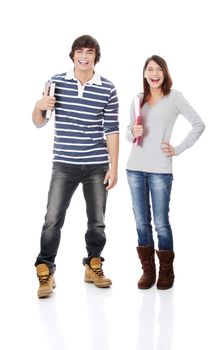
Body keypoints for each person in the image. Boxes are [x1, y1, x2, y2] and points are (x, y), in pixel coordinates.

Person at [32, 35, 119, 298]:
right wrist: (39, 106)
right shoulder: (55, 82)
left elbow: (112, 130)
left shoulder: (107, 88)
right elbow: (39, 122)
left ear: (96, 56)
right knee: (52, 220)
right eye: (79, 52)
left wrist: (113, 167)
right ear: (73, 55)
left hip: (96, 164)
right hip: (64, 164)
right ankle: (45, 270)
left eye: (89, 52)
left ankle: (93, 265)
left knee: (97, 222)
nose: (84, 56)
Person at [126, 55, 205, 290]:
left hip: (160, 169)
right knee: (141, 223)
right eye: (150, 69)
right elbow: (130, 133)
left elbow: (199, 124)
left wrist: (178, 148)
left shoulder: (174, 97)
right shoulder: (138, 99)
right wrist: (133, 131)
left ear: (165, 73)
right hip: (135, 168)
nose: (154, 73)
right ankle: (148, 272)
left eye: (158, 69)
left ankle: (167, 272)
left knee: (161, 222)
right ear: (144, 74)